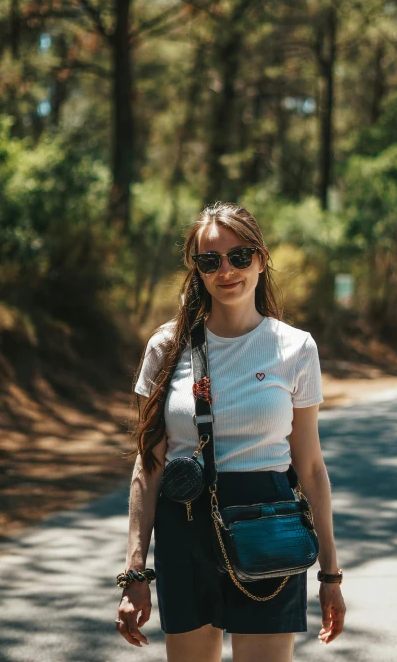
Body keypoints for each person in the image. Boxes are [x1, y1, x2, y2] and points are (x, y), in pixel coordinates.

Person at [116, 202, 346, 661]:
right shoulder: (167, 345)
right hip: (185, 526)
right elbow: (150, 462)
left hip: (271, 528)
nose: (227, 270)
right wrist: (134, 571)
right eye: (210, 260)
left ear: (261, 259)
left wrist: (330, 574)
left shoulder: (296, 347)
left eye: (240, 256)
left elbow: (312, 467)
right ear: (196, 269)